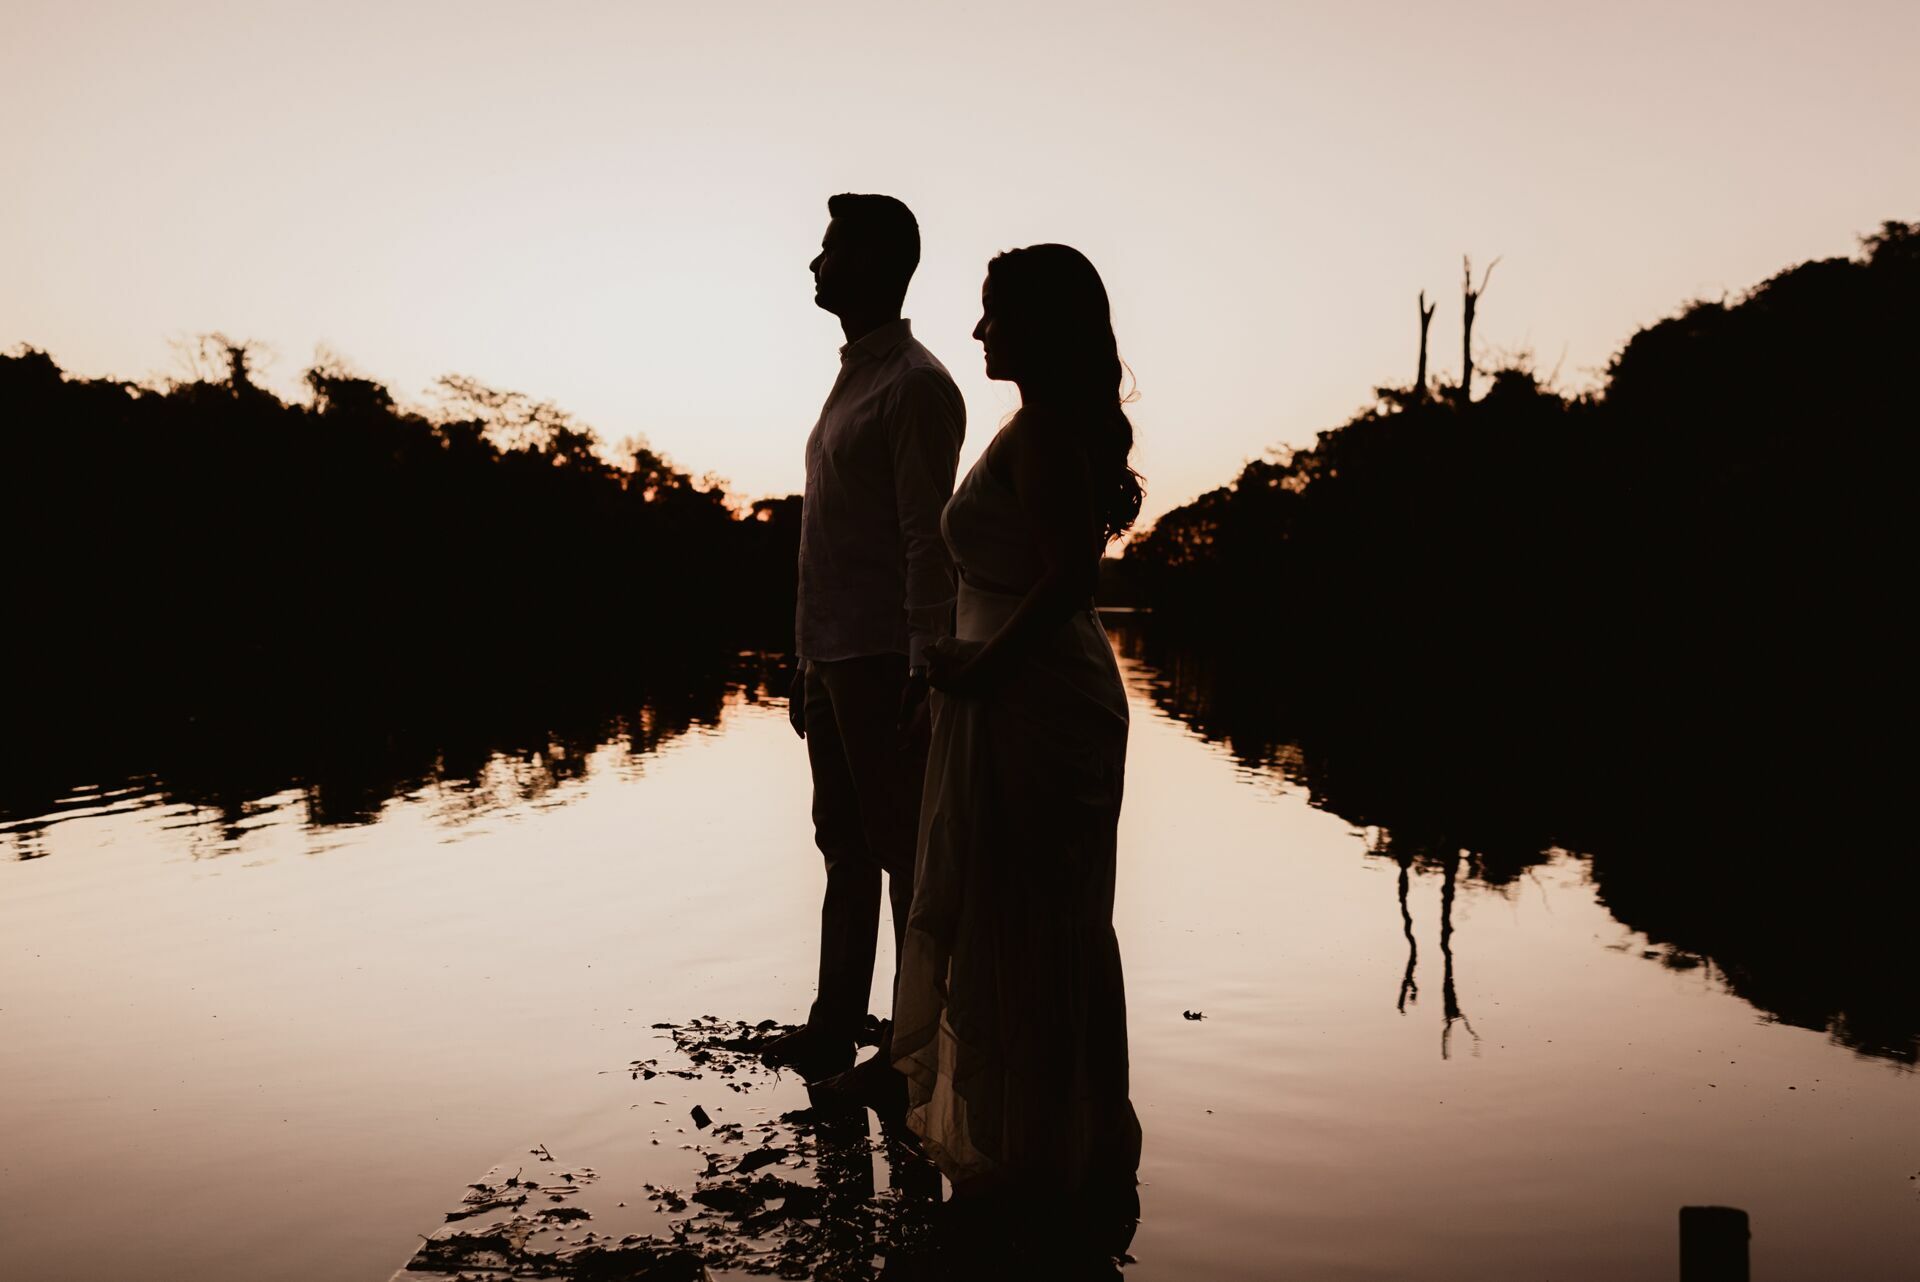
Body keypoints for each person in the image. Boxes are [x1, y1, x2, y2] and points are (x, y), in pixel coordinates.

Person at [890, 244, 1144, 1225]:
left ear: (1042, 325)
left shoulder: (1043, 434)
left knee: (1037, 920)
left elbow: (1071, 578)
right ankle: (1040, 1150)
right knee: (1018, 917)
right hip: (1014, 693)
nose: (978, 329)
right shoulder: (1035, 428)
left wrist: (982, 671)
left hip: (1040, 703)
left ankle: (1044, 1160)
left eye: (993, 312)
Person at [762, 194, 966, 1095]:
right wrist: (803, 658)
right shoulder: (854, 378)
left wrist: (924, 666)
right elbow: (831, 540)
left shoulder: (916, 385)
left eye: (831, 249)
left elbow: (928, 539)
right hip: (833, 654)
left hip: (886, 659)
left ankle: (910, 1049)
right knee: (842, 844)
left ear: (877, 263)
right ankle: (833, 1025)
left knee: (900, 855)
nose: (815, 262)